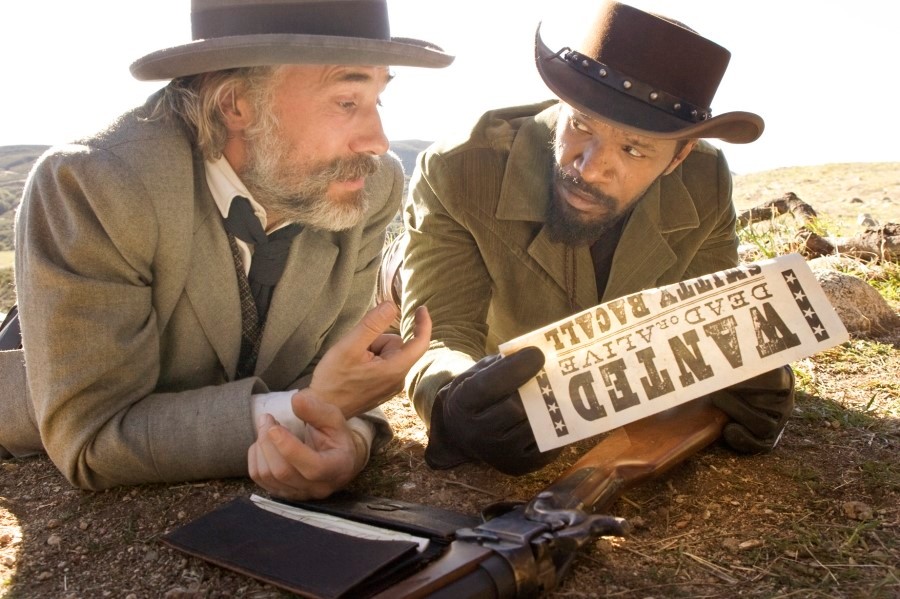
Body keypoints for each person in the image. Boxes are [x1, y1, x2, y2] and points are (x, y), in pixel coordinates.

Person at [0, 0, 454, 500]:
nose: (377, 141)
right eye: (347, 102)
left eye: (377, 100)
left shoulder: (367, 184)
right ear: (235, 103)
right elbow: (94, 434)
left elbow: (335, 373)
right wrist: (302, 413)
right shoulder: (96, 183)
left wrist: (347, 441)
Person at [397, 0, 794, 476]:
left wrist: (748, 376)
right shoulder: (458, 169)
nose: (589, 168)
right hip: (414, 275)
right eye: (581, 125)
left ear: (679, 156)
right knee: (392, 292)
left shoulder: (704, 180)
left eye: (633, 149)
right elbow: (439, 335)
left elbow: (704, 326)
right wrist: (451, 398)